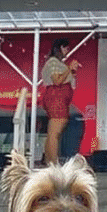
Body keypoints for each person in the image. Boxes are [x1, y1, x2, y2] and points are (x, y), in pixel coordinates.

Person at [40, 37, 81, 165]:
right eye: (66, 48)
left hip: (59, 98)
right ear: (60, 48)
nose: (67, 51)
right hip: (57, 98)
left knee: (53, 132)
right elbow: (57, 80)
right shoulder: (53, 62)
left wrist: (72, 71)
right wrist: (69, 68)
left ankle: (50, 161)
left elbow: (67, 81)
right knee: (55, 133)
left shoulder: (57, 63)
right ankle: (53, 163)